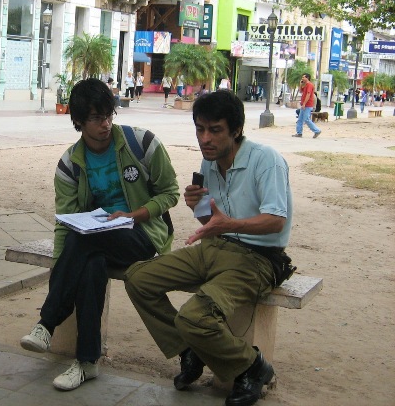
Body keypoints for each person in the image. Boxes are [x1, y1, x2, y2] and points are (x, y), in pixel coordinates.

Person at [125, 90, 293, 406]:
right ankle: (190, 349)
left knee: (194, 316)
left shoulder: (265, 160)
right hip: (215, 247)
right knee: (138, 278)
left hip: (258, 258)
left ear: (236, 130)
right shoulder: (209, 161)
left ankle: (251, 367)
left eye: (215, 130)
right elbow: (212, 220)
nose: (206, 138)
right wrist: (197, 206)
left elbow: (275, 221)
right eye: (200, 129)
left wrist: (227, 225)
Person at [20, 78, 179, 391]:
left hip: (143, 234)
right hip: (96, 239)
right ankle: (87, 362)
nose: (105, 124)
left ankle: (46, 323)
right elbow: (65, 222)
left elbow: (170, 193)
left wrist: (134, 214)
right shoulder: (70, 165)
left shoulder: (142, 143)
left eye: (109, 115)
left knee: (85, 240)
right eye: (96, 118)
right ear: (78, 120)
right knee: (90, 264)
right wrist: (59, 263)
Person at [292, 73, 321, 139]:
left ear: (307, 78)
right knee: (300, 119)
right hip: (304, 105)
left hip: (307, 105)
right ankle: (299, 132)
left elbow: (308, 94)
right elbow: (300, 91)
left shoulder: (309, 85)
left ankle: (317, 130)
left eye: (303, 77)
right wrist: (300, 84)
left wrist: (304, 103)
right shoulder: (305, 85)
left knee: (306, 119)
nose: (302, 78)